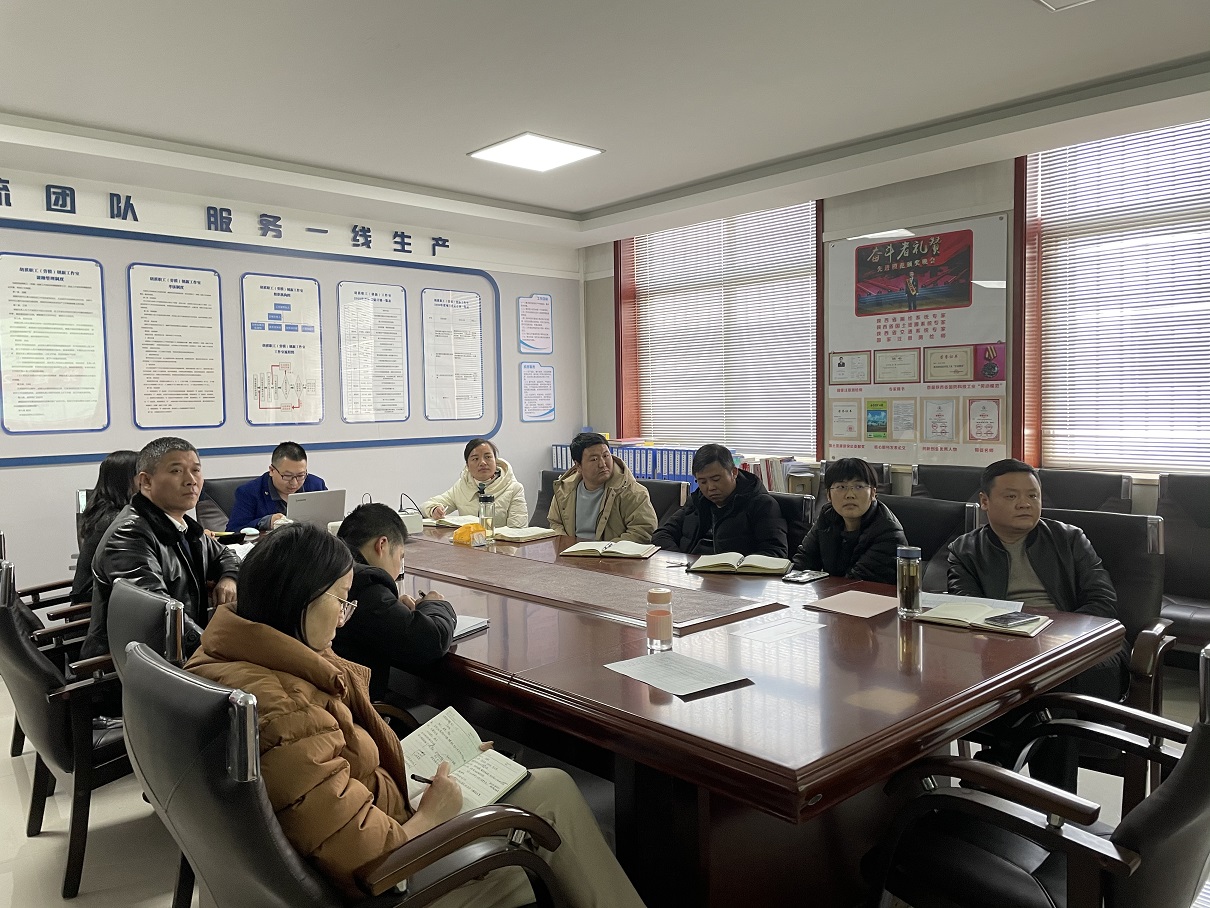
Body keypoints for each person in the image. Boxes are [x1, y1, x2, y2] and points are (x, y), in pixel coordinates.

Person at [186, 523, 647, 908]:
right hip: (397, 876)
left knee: (550, 787)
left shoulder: (225, 656)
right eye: (341, 601)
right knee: (551, 824)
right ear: (299, 599)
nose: (344, 619)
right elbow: (366, 860)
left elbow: (322, 777)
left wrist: (418, 764)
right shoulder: (285, 709)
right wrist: (432, 815)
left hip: (369, 814)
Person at [947, 458, 1129, 791]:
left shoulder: (1070, 538)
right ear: (984, 501)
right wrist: (1021, 641)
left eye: (1033, 495)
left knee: (1052, 684)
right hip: (1008, 651)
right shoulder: (965, 550)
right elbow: (970, 611)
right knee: (1052, 706)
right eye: (1011, 496)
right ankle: (1056, 808)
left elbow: (1102, 602)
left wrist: (1052, 639)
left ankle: (1000, 763)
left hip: (1082, 650)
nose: (1025, 504)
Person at [81, 437, 240, 660]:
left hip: (180, 651)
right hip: (140, 663)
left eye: (196, 470)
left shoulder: (181, 526)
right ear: (146, 481)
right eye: (176, 471)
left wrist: (229, 578)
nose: (191, 480)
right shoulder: (129, 534)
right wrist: (215, 650)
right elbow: (158, 613)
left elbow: (225, 554)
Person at [334, 503, 457, 700]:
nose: (398, 568)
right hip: (354, 709)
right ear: (382, 545)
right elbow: (431, 641)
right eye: (400, 557)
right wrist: (434, 604)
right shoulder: (363, 584)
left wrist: (392, 606)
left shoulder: (332, 568)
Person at [651, 444, 787, 557]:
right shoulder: (697, 501)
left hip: (734, 577)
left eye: (716, 479)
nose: (710, 487)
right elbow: (662, 534)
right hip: (693, 573)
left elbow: (776, 552)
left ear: (734, 472)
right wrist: (681, 561)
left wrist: (738, 567)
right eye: (702, 482)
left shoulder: (761, 504)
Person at [791, 458, 905, 583]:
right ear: (828, 495)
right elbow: (803, 562)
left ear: (873, 493)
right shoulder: (828, 515)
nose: (850, 495)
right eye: (841, 487)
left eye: (858, 486)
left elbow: (857, 583)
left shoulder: (888, 532)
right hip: (833, 592)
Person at [547, 432, 657, 543]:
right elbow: (555, 523)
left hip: (612, 552)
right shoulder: (565, 489)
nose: (602, 464)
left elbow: (642, 531)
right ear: (578, 466)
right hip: (572, 552)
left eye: (606, 456)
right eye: (594, 459)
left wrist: (606, 549)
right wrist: (567, 545)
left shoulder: (631, 491)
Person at [70, 450, 139, 604]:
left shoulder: (104, 510)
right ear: (124, 481)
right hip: (93, 606)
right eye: (140, 475)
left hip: (101, 598)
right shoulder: (115, 521)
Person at [422, 438, 528, 528]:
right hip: (469, 544)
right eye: (475, 459)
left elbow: (517, 531)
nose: (482, 463)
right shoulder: (462, 486)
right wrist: (434, 509)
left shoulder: (514, 488)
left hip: (501, 544)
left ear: (496, 461)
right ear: (467, 465)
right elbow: (426, 505)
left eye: (488, 457)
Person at [226, 440, 328, 531]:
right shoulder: (249, 492)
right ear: (272, 470)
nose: (294, 483)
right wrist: (266, 522)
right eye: (287, 476)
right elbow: (233, 531)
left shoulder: (317, 485)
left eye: (300, 475)